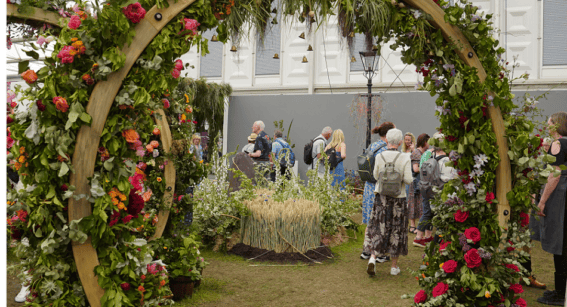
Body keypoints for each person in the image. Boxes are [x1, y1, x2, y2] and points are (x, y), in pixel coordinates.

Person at [365, 128, 413, 277]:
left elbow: (375, 175)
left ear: (387, 140)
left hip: (382, 198)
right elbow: (409, 179)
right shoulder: (405, 157)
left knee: (378, 227)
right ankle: (394, 267)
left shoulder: (380, 156)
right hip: (398, 199)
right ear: (400, 142)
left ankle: (373, 258)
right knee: (396, 231)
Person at [535, 111, 567, 306]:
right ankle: (561, 291)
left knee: (559, 242)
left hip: (559, 197)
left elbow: (555, 175)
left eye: (549, 122)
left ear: (556, 125)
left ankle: (560, 293)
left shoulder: (557, 144)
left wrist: (542, 201)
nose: (547, 125)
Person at [360, 122, 395, 263]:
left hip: (368, 187)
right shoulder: (385, 149)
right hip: (378, 188)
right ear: (389, 134)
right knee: (380, 220)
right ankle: (379, 254)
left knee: (370, 220)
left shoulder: (373, 146)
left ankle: (366, 251)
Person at [413, 132, 455, 248]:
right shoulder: (446, 160)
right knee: (438, 215)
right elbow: (447, 178)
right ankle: (437, 240)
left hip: (428, 189)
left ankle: (426, 237)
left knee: (429, 213)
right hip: (440, 191)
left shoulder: (430, 156)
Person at [408, 133, 430, 234]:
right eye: (428, 142)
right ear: (425, 142)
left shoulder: (424, 153)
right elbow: (415, 169)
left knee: (420, 204)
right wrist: (428, 166)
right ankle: (413, 226)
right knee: (414, 203)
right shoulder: (416, 153)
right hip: (416, 182)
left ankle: (419, 226)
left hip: (422, 181)